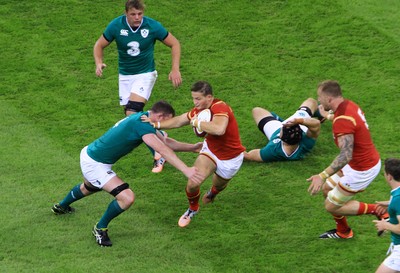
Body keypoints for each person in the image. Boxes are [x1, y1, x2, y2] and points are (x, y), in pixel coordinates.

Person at [51, 101, 204, 247]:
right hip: (95, 164)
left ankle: (61, 207)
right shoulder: (143, 125)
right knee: (127, 197)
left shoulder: (144, 117)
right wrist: (186, 170)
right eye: (167, 122)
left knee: (90, 186)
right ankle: (100, 228)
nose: (166, 126)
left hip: (91, 153)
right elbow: (163, 150)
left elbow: (166, 142)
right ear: (161, 117)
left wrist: (193, 147)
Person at [93, 0, 182, 173]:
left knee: (133, 113)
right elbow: (99, 45)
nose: (137, 18)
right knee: (130, 118)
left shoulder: (152, 26)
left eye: (140, 14)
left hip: (145, 74)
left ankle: (159, 154)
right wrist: (99, 63)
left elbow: (174, 43)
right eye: (133, 14)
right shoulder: (116, 26)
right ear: (126, 13)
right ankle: (160, 136)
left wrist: (175, 68)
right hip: (125, 77)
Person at [142, 81, 246, 227]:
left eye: (198, 99)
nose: (195, 102)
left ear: (209, 97)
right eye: (193, 98)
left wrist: (198, 123)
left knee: (219, 185)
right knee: (192, 183)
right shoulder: (198, 110)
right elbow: (179, 121)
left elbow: (219, 129)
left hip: (231, 158)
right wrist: (156, 125)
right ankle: (193, 209)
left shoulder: (220, 107)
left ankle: (213, 193)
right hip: (210, 151)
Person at [307, 80, 387, 239]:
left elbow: (345, 155)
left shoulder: (342, 121)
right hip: (359, 162)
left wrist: (321, 176)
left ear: (329, 99)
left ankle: (378, 210)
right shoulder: (349, 105)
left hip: (361, 170)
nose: (318, 101)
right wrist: (328, 116)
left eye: (320, 97)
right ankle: (344, 232)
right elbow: (348, 122)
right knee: (327, 190)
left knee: (331, 206)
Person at [244, 98, 321, 162]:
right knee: (311, 102)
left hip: (274, 130)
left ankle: (277, 120)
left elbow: (249, 155)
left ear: (280, 137)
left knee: (256, 110)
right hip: (297, 121)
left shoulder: (272, 151)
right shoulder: (307, 143)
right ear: (300, 134)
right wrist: (298, 121)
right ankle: (320, 114)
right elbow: (316, 123)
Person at [373, 158, 400, 273]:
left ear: (389, 176)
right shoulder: (396, 196)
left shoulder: (398, 199)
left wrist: (385, 225)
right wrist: (389, 204)